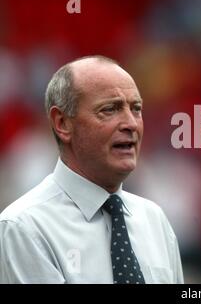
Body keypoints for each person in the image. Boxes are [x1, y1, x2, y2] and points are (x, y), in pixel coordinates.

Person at [0, 55, 184, 284]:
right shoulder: (26, 227)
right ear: (62, 123)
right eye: (110, 109)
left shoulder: (154, 220)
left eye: (136, 109)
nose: (131, 123)